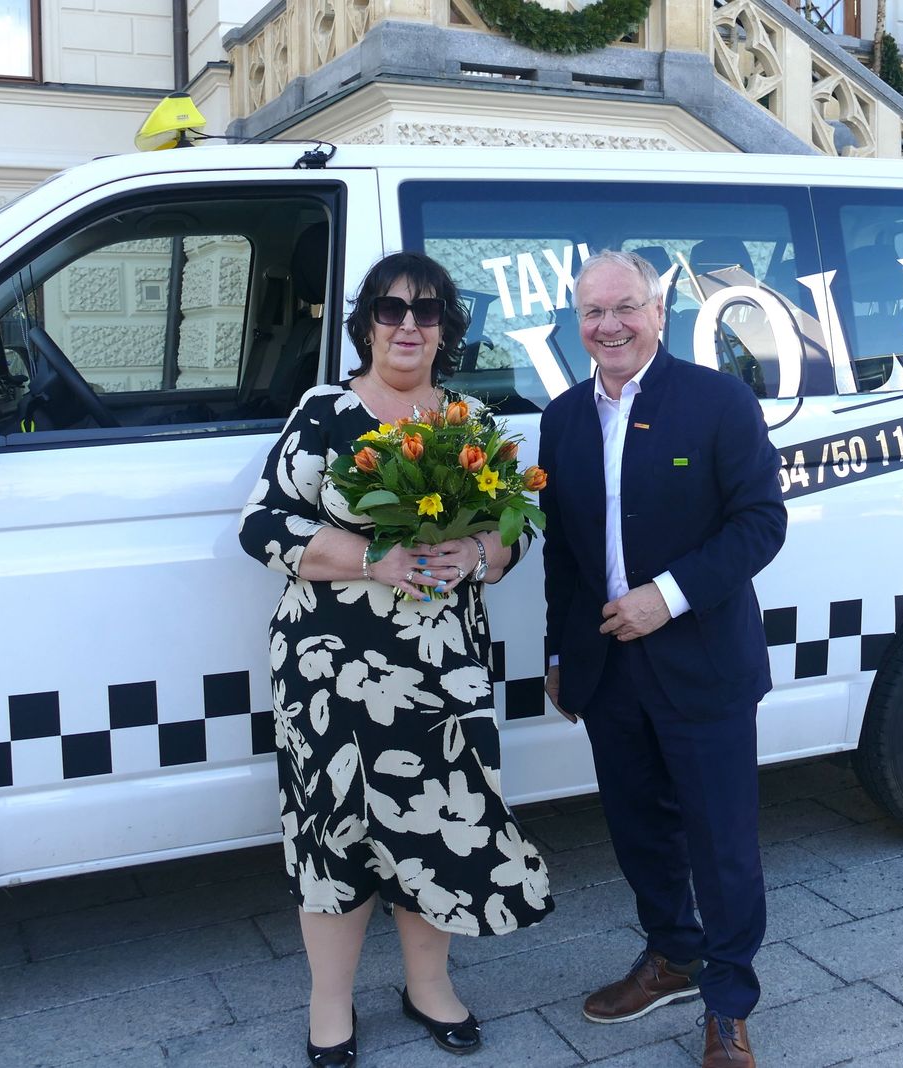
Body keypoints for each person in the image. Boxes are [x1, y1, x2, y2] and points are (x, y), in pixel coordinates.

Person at [239, 250, 552, 1066]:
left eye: (427, 309)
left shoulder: (470, 423)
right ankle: (330, 1004)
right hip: (330, 672)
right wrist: (369, 558)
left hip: (442, 672)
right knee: (333, 833)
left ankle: (428, 987)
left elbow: (515, 530)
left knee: (436, 828)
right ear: (367, 324)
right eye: (390, 308)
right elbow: (261, 526)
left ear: (446, 328)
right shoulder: (325, 412)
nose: (408, 324)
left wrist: (477, 554)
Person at [539, 250, 787, 1068]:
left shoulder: (718, 402)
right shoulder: (563, 419)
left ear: (658, 311)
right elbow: (563, 555)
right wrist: (559, 652)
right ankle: (672, 955)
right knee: (638, 830)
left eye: (625, 307)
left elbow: (761, 523)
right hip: (607, 666)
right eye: (592, 312)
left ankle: (729, 1003)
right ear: (577, 324)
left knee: (721, 843)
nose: (608, 325)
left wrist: (668, 596)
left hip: (702, 661)